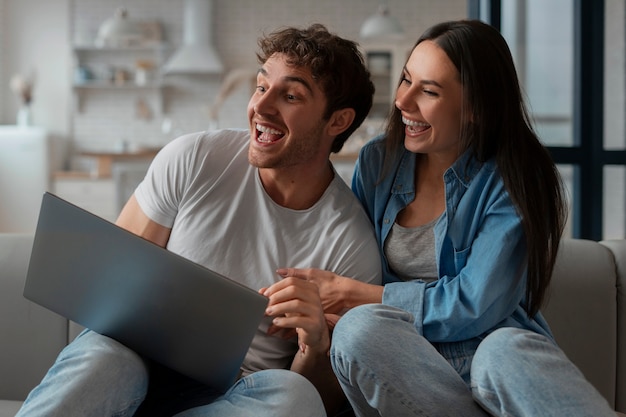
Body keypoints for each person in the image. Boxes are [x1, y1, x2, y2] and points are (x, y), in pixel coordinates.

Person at [15, 24, 381, 417]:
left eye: (290, 95)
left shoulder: (350, 243)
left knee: (294, 395)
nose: (262, 106)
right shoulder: (194, 158)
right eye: (261, 87)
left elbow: (325, 402)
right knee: (107, 356)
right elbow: (107, 281)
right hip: (139, 360)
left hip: (238, 395)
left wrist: (316, 345)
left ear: (338, 122)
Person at [278, 19, 617, 416]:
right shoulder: (378, 163)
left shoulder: (512, 180)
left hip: (491, 355)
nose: (403, 102)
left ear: (475, 108)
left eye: (430, 91)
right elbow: (358, 265)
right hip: (408, 366)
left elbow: (475, 304)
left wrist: (362, 295)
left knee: (502, 350)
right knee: (357, 332)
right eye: (407, 80)